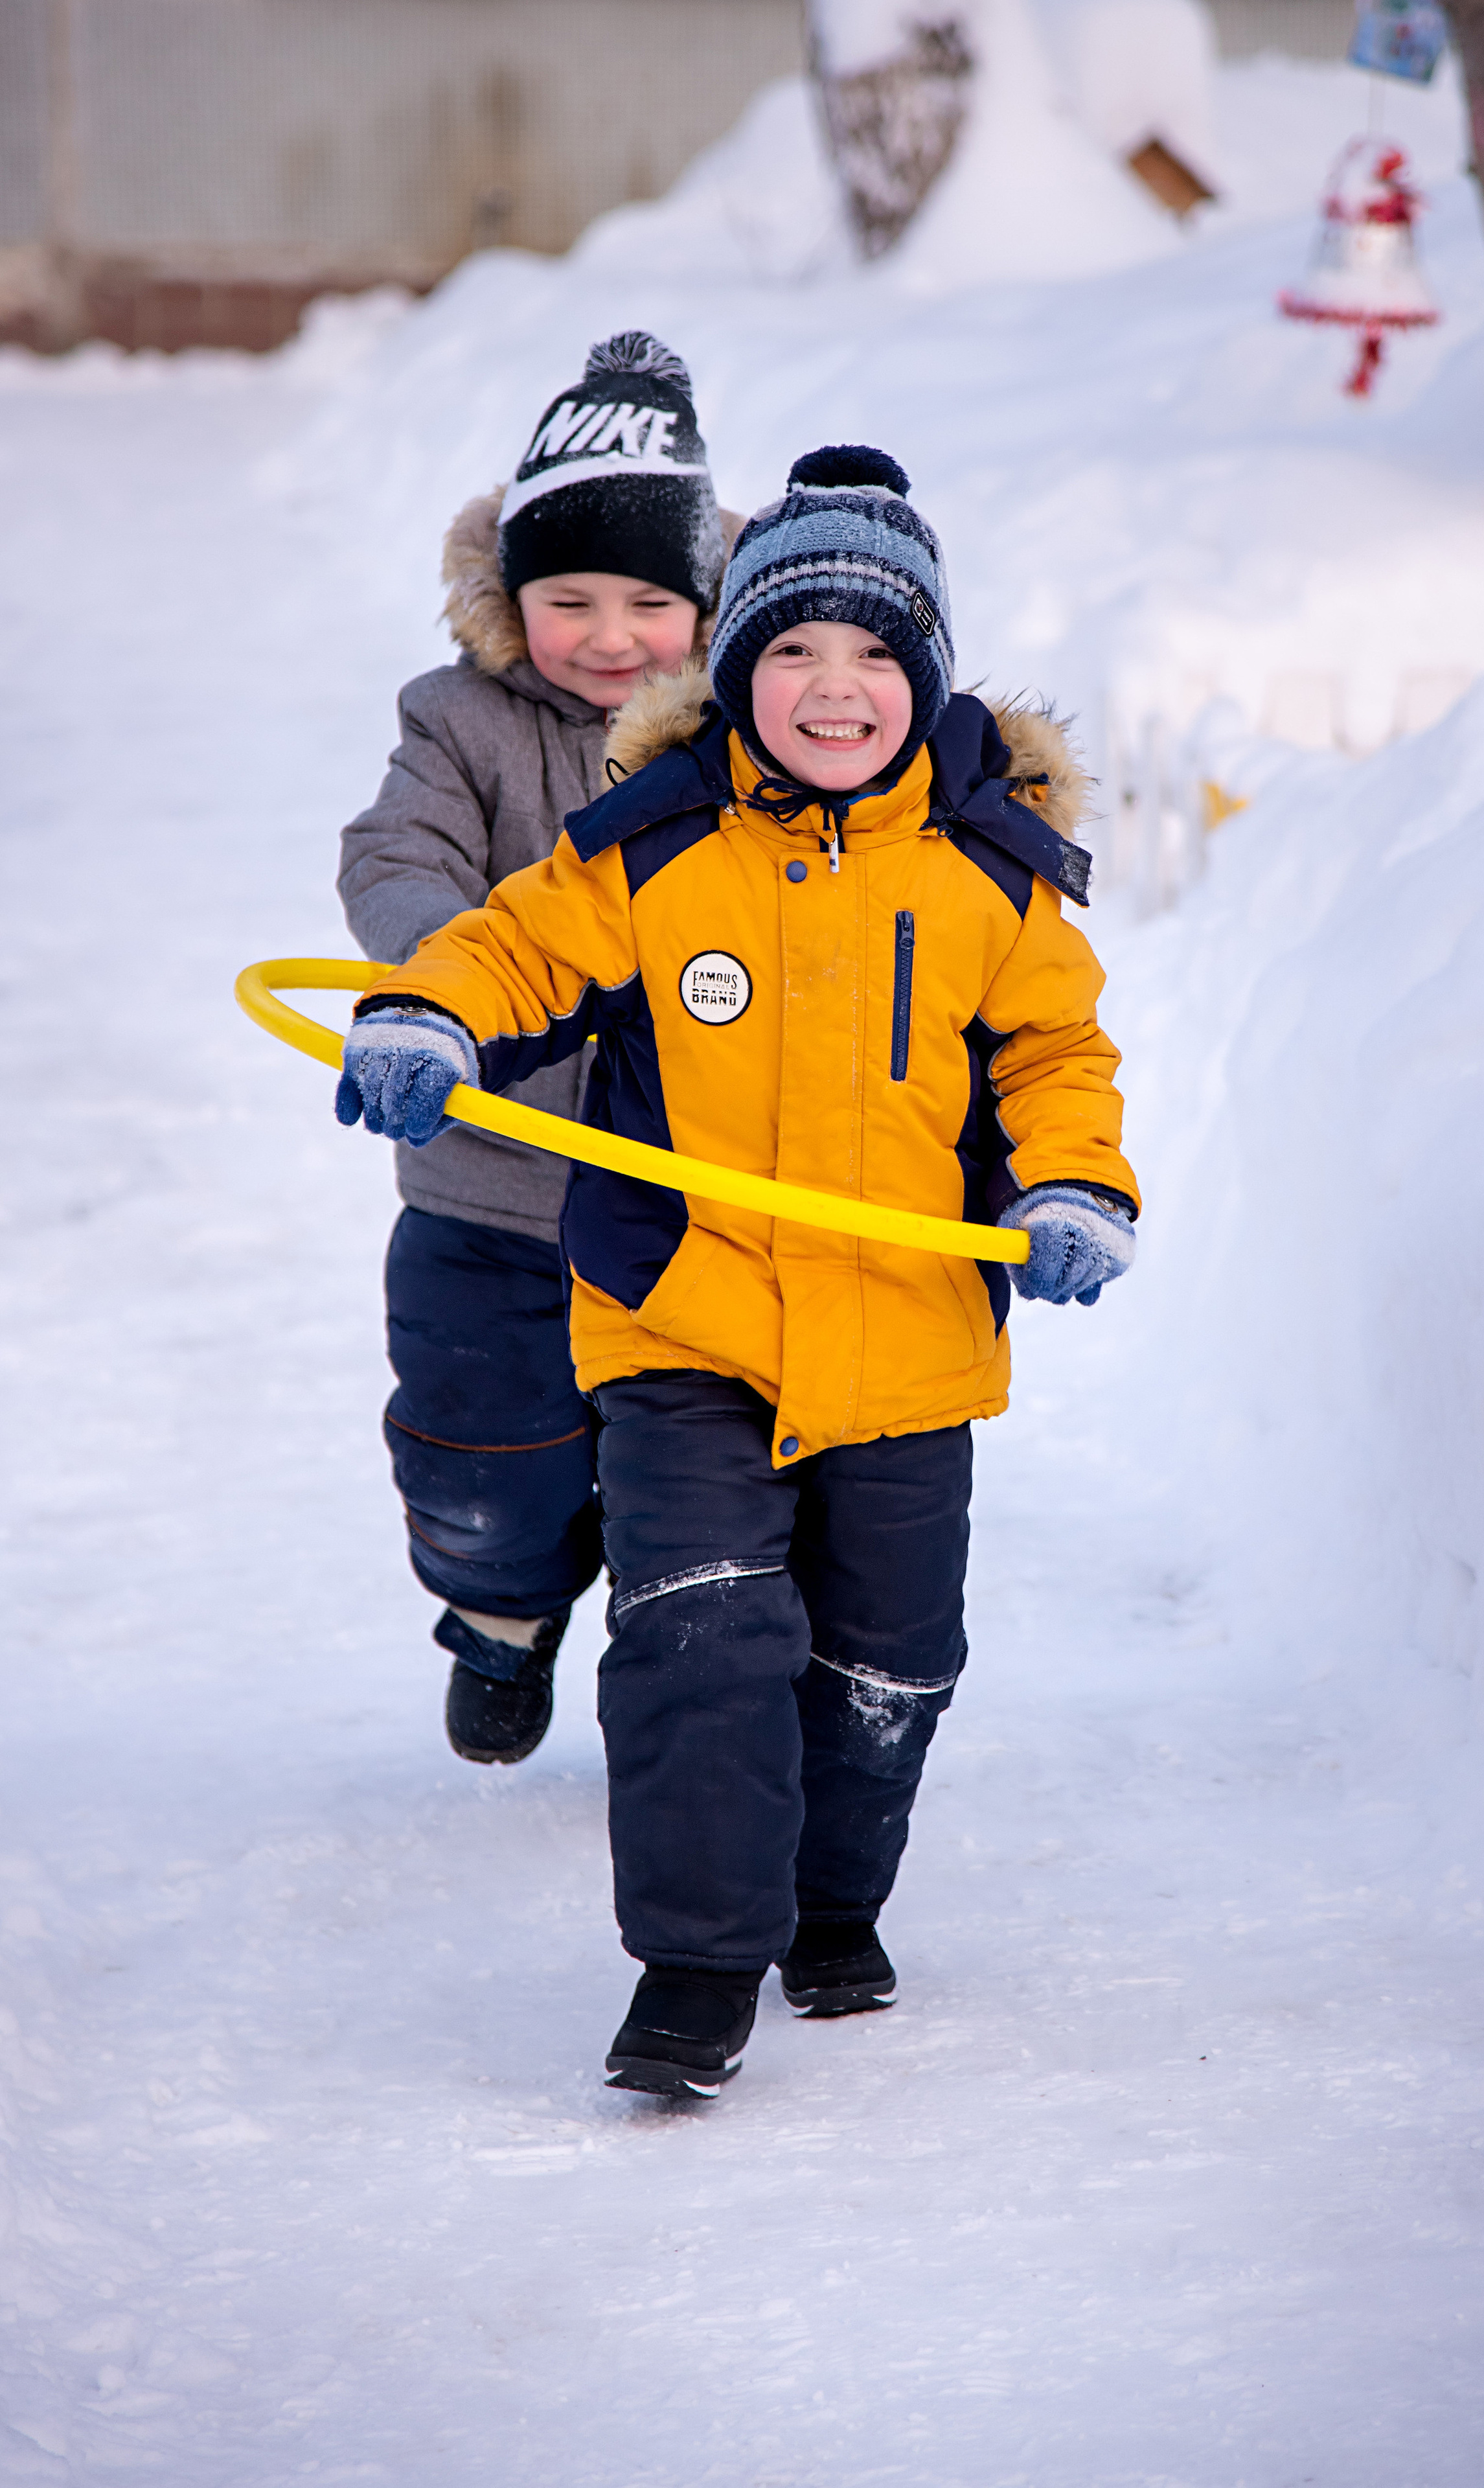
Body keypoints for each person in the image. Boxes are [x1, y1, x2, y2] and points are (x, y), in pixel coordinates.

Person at [334, 444, 1141, 2097]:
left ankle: (829, 1909)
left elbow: (1054, 1053)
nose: (830, 691)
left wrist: (1074, 1187)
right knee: (694, 1636)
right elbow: (514, 941)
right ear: (736, 670)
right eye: (790, 653)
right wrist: (424, 1008)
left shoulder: (990, 870)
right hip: (684, 1316)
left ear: (920, 680)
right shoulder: (658, 843)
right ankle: (692, 1972)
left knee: (887, 1656)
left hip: (907, 1336)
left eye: (870, 658)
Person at [337, 332, 734, 1769]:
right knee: (480, 1453)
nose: (610, 635)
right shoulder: (459, 725)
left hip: (679, 1189)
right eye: (569, 600)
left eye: (649, 601)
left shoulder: (739, 740)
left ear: (706, 603)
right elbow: (398, 851)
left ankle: (676, 1659)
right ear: (511, 602)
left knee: (680, 1471)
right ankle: (501, 1614)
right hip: (491, 1184)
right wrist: (445, 983)